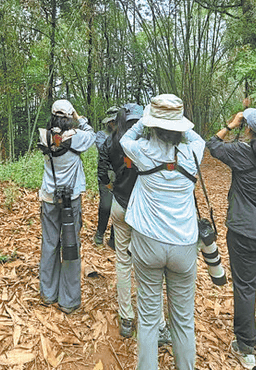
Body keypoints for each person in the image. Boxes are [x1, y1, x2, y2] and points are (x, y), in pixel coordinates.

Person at [121, 94, 206, 370]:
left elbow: (125, 139)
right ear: (180, 127)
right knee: (183, 321)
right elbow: (194, 136)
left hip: (148, 242)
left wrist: (148, 116)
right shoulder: (194, 151)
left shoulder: (143, 149)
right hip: (183, 244)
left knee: (147, 319)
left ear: (151, 126)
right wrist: (175, 119)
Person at [207, 108, 256, 369]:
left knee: (245, 287)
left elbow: (212, 144)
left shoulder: (242, 151)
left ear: (249, 129)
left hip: (246, 231)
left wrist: (232, 124)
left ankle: (246, 347)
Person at [100, 103, 172, 343]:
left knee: (123, 261)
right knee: (148, 267)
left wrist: (113, 187)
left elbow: (105, 174)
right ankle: (157, 323)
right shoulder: (148, 145)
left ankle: (126, 319)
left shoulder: (111, 142)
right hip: (143, 209)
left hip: (120, 205)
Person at [37, 99, 96, 314]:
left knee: (50, 243)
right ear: (70, 116)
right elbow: (92, 134)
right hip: (71, 200)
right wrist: (80, 119)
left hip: (49, 197)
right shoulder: (77, 137)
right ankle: (69, 301)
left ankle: (47, 293)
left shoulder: (44, 136)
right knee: (70, 246)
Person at [94, 106, 119, 245]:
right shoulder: (101, 135)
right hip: (106, 175)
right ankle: (100, 233)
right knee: (105, 206)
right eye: (112, 121)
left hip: (121, 175)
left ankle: (114, 238)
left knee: (119, 206)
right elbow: (103, 149)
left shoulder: (124, 134)